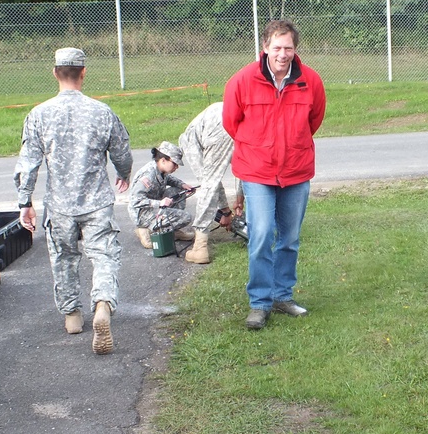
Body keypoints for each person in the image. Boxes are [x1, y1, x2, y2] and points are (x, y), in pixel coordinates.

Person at [15, 47, 132, 355]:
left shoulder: (39, 115)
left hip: (60, 205)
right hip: (96, 202)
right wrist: (124, 173)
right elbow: (121, 150)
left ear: (55, 73)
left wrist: (25, 201)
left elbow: (28, 163)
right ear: (84, 73)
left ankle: (72, 315)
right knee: (103, 256)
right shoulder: (102, 112)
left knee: (64, 259)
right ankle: (103, 303)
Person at [222, 19, 326, 330]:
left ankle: (282, 296)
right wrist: (260, 147)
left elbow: (314, 120)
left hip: (296, 170)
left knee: (289, 238)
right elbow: (231, 122)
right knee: (261, 234)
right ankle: (259, 302)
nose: (283, 54)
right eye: (277, 47)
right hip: (257, 171)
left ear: (296, 49)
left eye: (288, 48)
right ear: (265, 47)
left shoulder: (310, 81)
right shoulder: (242, 81)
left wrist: (291, 145)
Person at [178, 102, 242, 264]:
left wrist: (226, 212)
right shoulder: (196, 132)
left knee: (208, 183)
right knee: (249, 170)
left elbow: (210, 182)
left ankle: (200, 247)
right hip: (239, 118)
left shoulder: (188, 140)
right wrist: (233, 206)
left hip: (221, 124)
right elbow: (242, 172)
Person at [129, 141, 195, 248]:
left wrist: (183, 185)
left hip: (153, 206)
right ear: (163, 160)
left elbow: (168, 179)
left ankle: (170, 230)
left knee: (178, 192)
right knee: (186, 217)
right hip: (142, 213)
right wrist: (159, 203)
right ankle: (145, 229)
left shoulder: (160, 170)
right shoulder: (148, 175)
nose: (176, 167)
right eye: (174, 163)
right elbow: (135, 201)